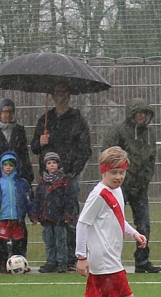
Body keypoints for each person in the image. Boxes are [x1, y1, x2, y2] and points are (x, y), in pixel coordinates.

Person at [42, 147, 153, 297]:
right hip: (105, 260)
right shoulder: (99, 194)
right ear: (104, 171)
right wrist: (81, 256)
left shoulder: (116, 191)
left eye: (122, 172)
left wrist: (134, 233)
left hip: (109, 259)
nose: (119, 177)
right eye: (114, 172)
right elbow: (83, 223)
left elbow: (117, 218)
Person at [31, 82, 91, 265]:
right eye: (57, 92)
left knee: (69, 217)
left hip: (68, 177)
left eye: (64, 92)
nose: (61, 96)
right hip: (48, 180)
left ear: (69, 95)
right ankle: (53, 259)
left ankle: (72, 257)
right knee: (49, 219)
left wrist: (73, 171)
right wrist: (40, 141)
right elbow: (34, 148)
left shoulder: (77, 119)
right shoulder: (45, 120)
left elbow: (85, 149)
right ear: (52, 96)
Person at [104, 98, 161, 273]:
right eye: (138, 113)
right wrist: (120, 178)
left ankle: (142, 260)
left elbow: (151, 158)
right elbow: (108, 156)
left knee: (144, 224)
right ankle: (110, 259)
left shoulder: (150, 133)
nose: (141, 116)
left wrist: (145, 178)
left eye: (144, 113)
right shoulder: (118, 131)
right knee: (113, 222)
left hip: (141, 185)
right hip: (119, 186)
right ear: (131, 114)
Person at [33, 152, 74, 273]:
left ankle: (62, 263)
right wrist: (35, 214)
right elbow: (38, 200)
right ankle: (51, 262)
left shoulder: (64, 182)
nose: (52, 165)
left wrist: (68, 214)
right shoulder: (42, 183)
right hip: (46, 217)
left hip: (60, 218)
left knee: (61, 241)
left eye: (54, 163)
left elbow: (69, 200)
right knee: (49, 241)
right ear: (45, 166)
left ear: (58, 164)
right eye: (49, 163)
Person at [0, 151, 31, 272]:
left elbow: (28, 201)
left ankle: (20, 265)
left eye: (11, 165)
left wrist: (32, 215)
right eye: (5, 164)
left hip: (18, 218)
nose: (8, 167)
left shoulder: (22, 183)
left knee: (19, 243)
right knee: (2, 244)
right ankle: (2, 266)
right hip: (3, 218)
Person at [0, 99, 34, 184]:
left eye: (11, 111)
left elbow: (24, 153)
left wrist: (27, 174)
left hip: (17, 174)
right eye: (5, 111)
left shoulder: (19, 130)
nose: (8, 114)